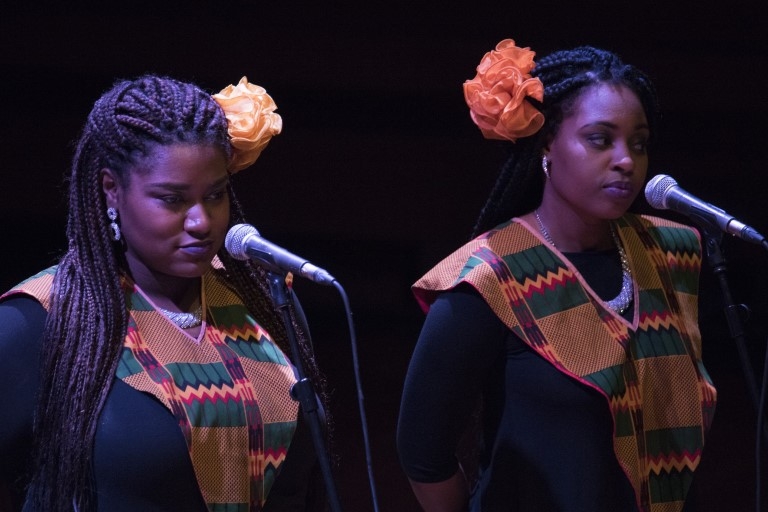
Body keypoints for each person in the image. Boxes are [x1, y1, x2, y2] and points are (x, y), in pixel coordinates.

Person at [396, 39, 718, 512]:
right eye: (600, 138)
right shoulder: (490, 278)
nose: (626, 160)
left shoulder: (669, 254)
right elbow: (423, 451)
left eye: (639, 142)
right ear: (547, 143)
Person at [0, 75, 329, 511]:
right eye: (172, 200)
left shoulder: (263, 302)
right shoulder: (38, 321)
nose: (201, 221)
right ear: (111, 190)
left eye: (215, 195)